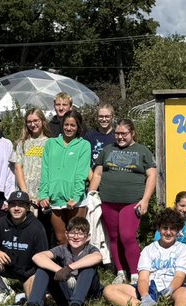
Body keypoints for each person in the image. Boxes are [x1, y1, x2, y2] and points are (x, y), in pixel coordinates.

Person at [91, 118, 156, 283]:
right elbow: (98, 174)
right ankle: (120, 272)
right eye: (117, 133)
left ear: (132, 133)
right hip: (108, 201)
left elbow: (152, 175)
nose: (120, 137)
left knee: (127, 236)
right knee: (114, 237)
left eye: (124, 134)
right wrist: (91, 194)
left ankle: (135, 274)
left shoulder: (142, 151)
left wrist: (146, 200)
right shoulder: (107, 150)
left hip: (132, 201)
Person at [16, 216, 105, 306]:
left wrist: (68, 269)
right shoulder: (63, 249)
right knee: (44, 268)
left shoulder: (91, 249)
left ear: (87, 237)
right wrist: (59, 270)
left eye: (81, 234)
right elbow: (37, 257)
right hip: (68, 293)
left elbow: (97, 257)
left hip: (88, 296)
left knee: (88, 267)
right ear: (67, 235)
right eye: (72, 233)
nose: (76, 237)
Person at [104, 208, 186, 306]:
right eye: (165, 228)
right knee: (109, 289)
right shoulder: (148, 250)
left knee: (184, 293)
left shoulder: (183, 249)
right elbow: (143, 278)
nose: (168, 232)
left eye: (172, 229)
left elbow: (179, 275)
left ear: (178, 229)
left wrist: (170, 289)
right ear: (158, 228)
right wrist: (145, 296)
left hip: (173, 288)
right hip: (150, 286)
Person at [0, 190, 51, 306]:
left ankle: (32, 293)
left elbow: (43, 257)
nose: (16, 208)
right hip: (6, 266)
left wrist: (38, 280)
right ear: (8, 207)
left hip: (28, 272)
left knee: (32, 302)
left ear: (28, 207)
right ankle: (4, 289)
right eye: (13, 205)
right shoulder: (1, 222)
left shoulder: (37, 228)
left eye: (21, 205)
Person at [40, 110, 92, 244]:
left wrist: (76, 196)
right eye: (66, 124)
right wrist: (43, 194)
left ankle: (79, 265)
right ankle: (65, 265)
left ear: (78, 127)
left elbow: (82, 173)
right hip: (54, 197)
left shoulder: (84, 145)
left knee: (77, 238)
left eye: (73, 125)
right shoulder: (50, 143)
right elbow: (45, 170)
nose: (69, 128)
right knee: (61, 239)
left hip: (75, 199)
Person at [11, 108, 50, 226]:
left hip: (44, 193)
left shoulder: (50, 142)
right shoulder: (22, 143)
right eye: (29, 122)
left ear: (43, 121)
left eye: (36, 120)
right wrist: (25, 193)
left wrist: (45, 194)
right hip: (26, 192)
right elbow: (18, 168)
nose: (33, 124)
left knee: (44, 228)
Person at [153, 191, 186, 257]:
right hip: (165, 256)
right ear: (176, 204)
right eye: (182, 205)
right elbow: (158, 237)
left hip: (185, 258)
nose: (184, 209)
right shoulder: (167, 219)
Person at [83, 103, 116, 172]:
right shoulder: (90, 136)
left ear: (112, 117)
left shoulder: (117, 136)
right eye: (101, 116)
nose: (104, 119)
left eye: (107, 116)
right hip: (93, 176)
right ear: (97, 117)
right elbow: (84, 161)